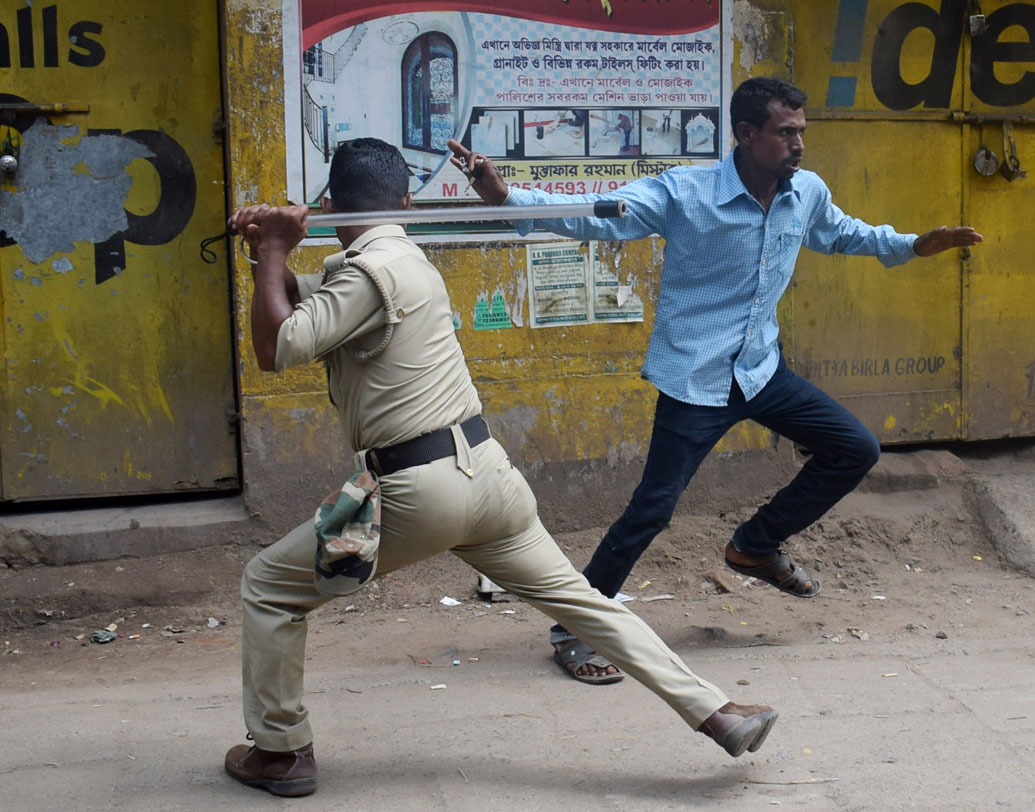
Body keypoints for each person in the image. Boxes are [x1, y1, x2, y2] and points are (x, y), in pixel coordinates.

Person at [223, 137, 780, 797]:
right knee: (581, 602)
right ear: (404, 201)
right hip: (485, 477)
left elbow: (276, 346)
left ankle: (281, 753)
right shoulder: (399, 261)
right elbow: (298, 304)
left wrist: (278, 249)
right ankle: (716, 712)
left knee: (268, 586)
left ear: (329, 201)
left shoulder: (365, 271)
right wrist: (268, 252)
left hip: (419, 488)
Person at [447, 76, 982, 685]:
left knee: (854, 448)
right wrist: (506, 197)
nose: (798, 145)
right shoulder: (686, 192)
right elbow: (598, 218)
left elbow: (841, 232)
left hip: (760, 371)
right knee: (652, 511)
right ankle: (574, 629)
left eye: (802, 132)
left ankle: (755, 544)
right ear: (747, 134)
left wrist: (913, 244)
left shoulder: (804, 192)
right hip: (694, 378)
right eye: (786, 133)